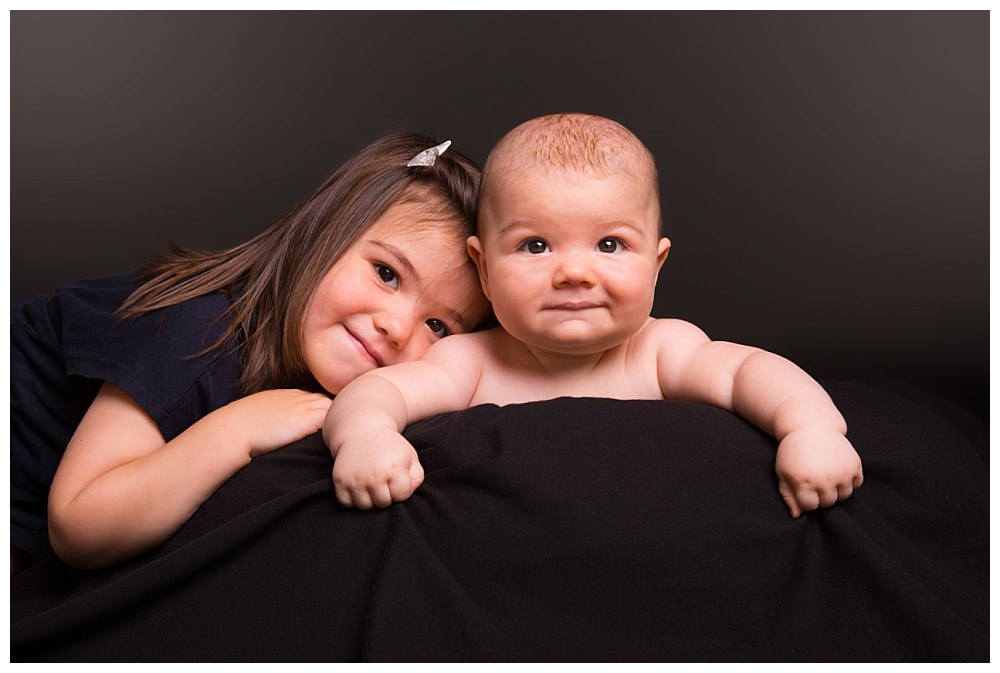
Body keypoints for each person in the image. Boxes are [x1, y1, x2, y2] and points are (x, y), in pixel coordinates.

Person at [324, 113, 864, 518]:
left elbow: (752, 371)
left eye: (610, 244)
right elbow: (379, 393)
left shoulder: (663, 351)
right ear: (483, 269)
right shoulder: (468, 361)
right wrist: (366, 436)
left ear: (656, 266)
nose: (574, 273)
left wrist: (810, 429)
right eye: (536, 246)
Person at [11, 134, 492, 574]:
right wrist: (240, 429)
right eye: (386, 273)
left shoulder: (352, 390)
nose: (396, 326)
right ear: (322, 236)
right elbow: (79, 522)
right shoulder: (197, 334)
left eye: (437, 325)